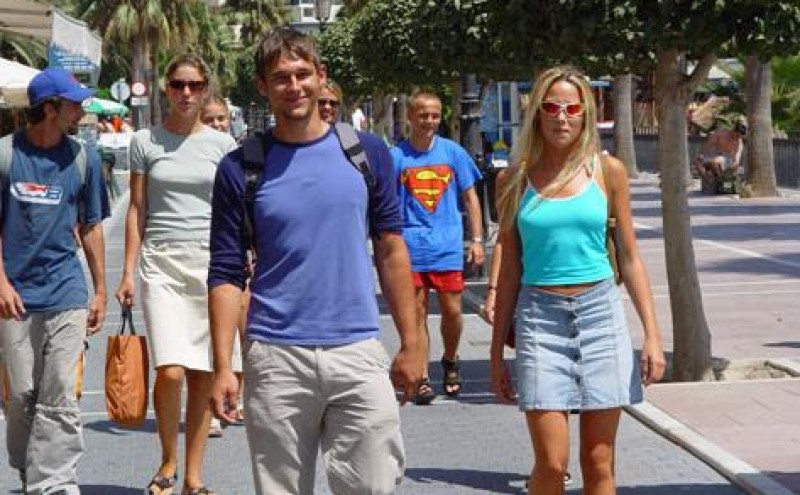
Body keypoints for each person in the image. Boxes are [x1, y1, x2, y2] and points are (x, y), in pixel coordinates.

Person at [208, 27, 425, 495]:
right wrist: (224, 364)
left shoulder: (366, 154)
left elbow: (391, 248)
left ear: (321, 76)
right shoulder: (240, 168)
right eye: (280, 77)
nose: (294, 86)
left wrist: (412, 342)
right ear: (263, 86)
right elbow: (225, 271)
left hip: (357, 350)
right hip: (276, 356)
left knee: (373, 486)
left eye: (302, 74)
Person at [489, 65, 666, 495]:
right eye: (552, 107)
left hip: (600, 316)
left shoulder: (608, 171)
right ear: (537, 113)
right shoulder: (512, 180)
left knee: (598, 461)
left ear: (586, 113)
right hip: (540, 318)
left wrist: (652, 335)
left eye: (572, 108)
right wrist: (495, 353)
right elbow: (510, 268)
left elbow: (630, 257)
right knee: (552, 464)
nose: (562, 117)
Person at [116, 54, 236, 495]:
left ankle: (193, 477)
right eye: (179, 84)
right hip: (161, 261)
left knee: (202, 374)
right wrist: (127, 272)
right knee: (169, 370)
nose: (187, 93)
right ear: (166, 88)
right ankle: (168, 459)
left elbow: (234, 209)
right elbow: (136, 209)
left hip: (210, 262)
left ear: (205, 89)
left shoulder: (223, 145)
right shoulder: (144, 141)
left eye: (195, 85)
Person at [0, 67, 110, 495]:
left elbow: (92, 227)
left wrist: (100, 290)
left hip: (67, 289)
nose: (81, 110)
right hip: (15, 295)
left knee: (61, 390)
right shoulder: (6, 156)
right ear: (50, 108)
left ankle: (55, 481)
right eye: (74, 103)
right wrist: (2, 282)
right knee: (22, 395)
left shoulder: (84, 158)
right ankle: (30, 469)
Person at [390, 90, 485, 405]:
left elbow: (470, 197)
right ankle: (422, 377)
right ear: (410, 117)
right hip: (411, 247)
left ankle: (450, 358)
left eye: (434, 115)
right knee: (416, 312)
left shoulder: (453, 153)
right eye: (423, 115)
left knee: (452, 311)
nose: (429, 121)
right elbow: (385, 202)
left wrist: (477, 240)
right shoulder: (396, 156)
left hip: (447, 245)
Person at [200, 94, 245, 438]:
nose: (217, 124)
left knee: (243, 334)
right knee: (210, 334)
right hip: (197, 250)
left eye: (221, 118)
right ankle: (212, 405)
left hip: (236, 251)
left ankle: (236, 397)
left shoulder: (239, 155)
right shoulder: (194, 151)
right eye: (210, 119)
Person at [695, 119, 746, 191]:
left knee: (716, 161)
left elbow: (737, 158)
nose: (738, 137)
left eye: (740, 136)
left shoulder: (739, 142)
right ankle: (708, 180)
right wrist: (702, 154)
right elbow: (708, 145)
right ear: (734, 130)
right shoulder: (720, 134)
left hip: (727, 158)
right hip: (714, 154)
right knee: (699, 162)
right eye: (737, 134)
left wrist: (735, 164)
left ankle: (718, 179)